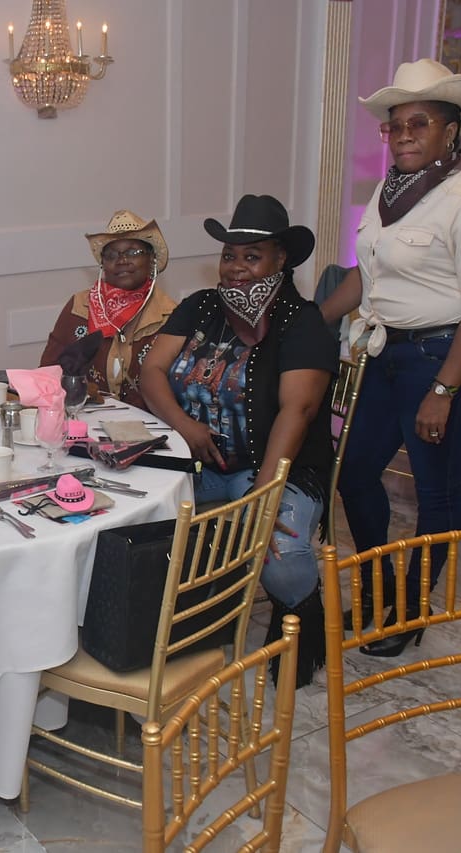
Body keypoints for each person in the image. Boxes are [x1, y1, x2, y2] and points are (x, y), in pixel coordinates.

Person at [321, 59, 461, 656]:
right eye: (394, 125)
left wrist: (446, 390)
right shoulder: (389, 193)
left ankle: (409, 609)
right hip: (385, 354)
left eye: (418, 123)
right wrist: (309, 321)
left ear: (450, 131)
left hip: (444, 357)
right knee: (353, 473)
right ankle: (380, 593)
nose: (402, 134)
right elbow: (368, 275)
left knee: (434, 490)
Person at [141, 194, 335, 686]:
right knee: (128, 510)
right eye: (230, 256)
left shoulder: (301, 321)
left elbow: (300, 409)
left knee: (280, 552)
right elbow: (152, 370)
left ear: (280, 259)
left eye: (252, 257)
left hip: (273, 465)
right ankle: (164, 623)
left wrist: (264, 494)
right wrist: (186, 428)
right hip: (200, 460)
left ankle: (302, 614)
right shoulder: (200, 306)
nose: (236, 268)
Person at [38, 210, 177, 408]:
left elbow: (177, 391)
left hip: (151, 429)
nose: (122, 260)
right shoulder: (79, 306)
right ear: (102, 264)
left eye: (133, 252)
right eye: (112, 254)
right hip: (84, 421)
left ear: (151, 259)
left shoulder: (171, 315)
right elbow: (47, 373)